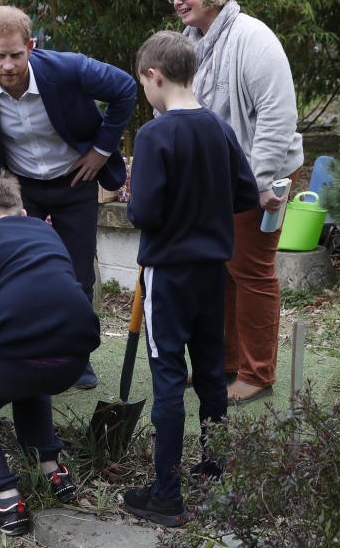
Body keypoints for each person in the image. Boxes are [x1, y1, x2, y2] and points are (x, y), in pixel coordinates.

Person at [0, 5, 136, 390]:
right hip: (20, 184)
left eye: (16, 55)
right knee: (15, 270)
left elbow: (125, 88)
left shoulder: (69, 68)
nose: (8, 65)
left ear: (31, 46)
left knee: (76, 273)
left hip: (75, 180)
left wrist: (101, 150)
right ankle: (24, 350)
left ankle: (77, 358)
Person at [123, 31, 258, 527]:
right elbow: (245, 193)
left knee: (168, 380)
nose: (146, 93)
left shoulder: (154, 135)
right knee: (210, 375)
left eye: (144, 84)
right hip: (212, 274)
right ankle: (215, 475)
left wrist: (134, 193)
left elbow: (143, 212)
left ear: (154, 77)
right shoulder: (218, 128)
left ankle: (167, 495)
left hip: (168, 275)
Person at [166, 0, 304, 405]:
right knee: (220, 271)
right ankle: (223, 361)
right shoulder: (191, 44)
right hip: (217, 179)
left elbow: (277, 117)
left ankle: (257, 372)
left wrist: (258, 183)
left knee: (251, 271)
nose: (179, 1)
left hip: (262, 176)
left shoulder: (253, 38)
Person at [0, 173, 100, 537]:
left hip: (11, 356)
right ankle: (52, 471)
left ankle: (5, 499)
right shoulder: (48, 232)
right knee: (32, 373)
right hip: (73, 355)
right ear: (24, 211)